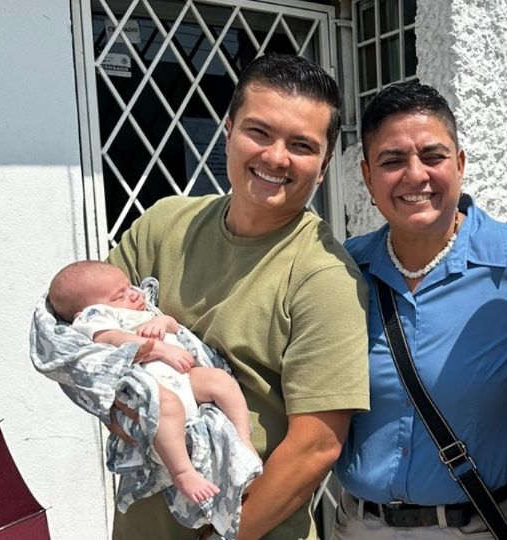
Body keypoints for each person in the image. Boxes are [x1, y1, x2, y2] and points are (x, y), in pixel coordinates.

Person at [106, 53, 370, 540]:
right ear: (227, 132)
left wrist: (226, 535)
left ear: (324, 165)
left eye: (301, 145)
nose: (276, 157)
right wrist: (115, 402)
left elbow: (315, 446)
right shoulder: (163, 227)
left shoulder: (325, 277)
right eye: (259, 132)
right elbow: (82, 329)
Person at [331, 81, 507, 539]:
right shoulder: (344, 271)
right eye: (392, 160)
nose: (415, 175)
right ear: (367, 176)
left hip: (480, 527)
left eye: (433, 156)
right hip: (360, 526)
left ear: (459, 164)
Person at [48, 260, 257, 504]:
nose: (134, 295)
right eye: (120, 296)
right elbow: (111, 339)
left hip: (184, 378)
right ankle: (183, 472)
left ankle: (243, 439)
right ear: (86, 311)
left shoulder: (143, 309)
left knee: (220, 381)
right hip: (153, 386)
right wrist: (159, 349)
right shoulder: (96, 317)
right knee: (167, 406)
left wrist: (162, 322)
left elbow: (172, 325)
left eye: (129, 287)